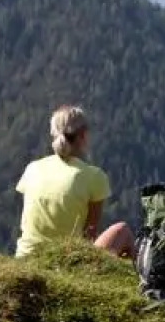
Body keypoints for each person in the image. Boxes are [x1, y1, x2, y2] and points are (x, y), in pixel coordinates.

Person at [15, 105, 133, 258]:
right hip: (67, 261)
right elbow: (89, 233)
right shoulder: (94, 176)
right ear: (83, 135)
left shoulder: (32, 169)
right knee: (122, 231)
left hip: (25, 257)